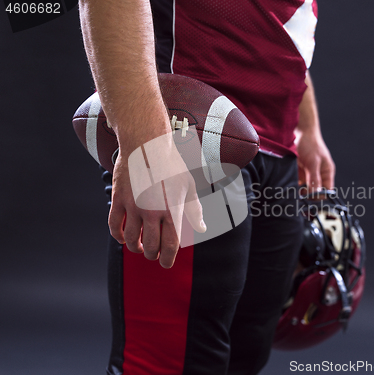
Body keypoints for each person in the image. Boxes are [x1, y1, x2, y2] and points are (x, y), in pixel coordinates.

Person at [78, 0, 335, 374]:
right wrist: (146, 144)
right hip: (190, 130)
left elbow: (280, 17)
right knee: (166, 364)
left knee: (244, 356)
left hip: (276, 145)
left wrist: (305, 126)